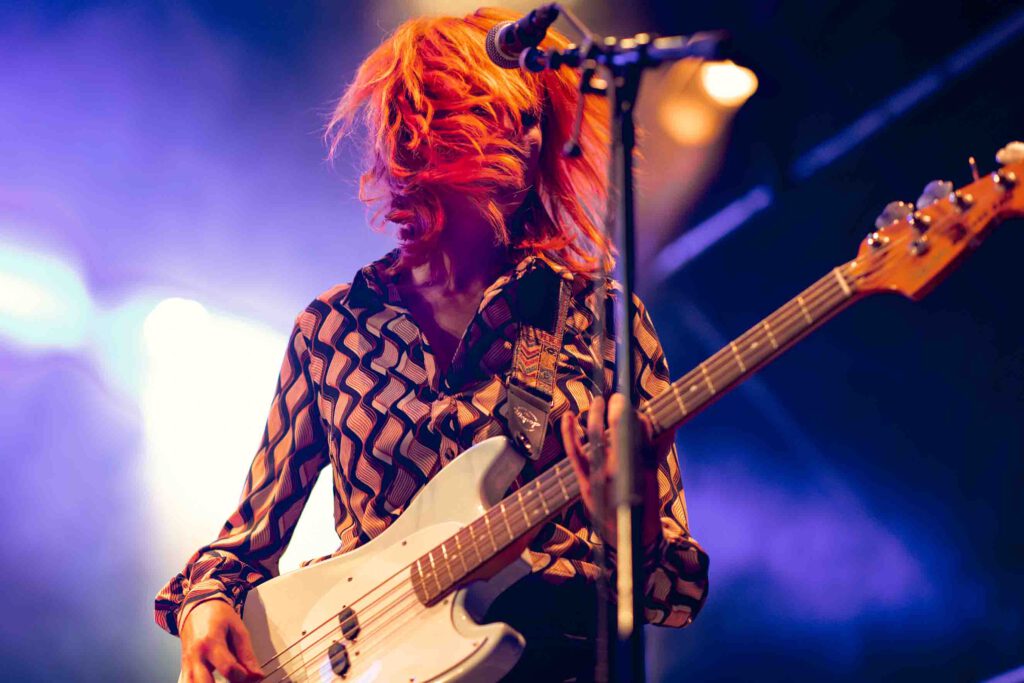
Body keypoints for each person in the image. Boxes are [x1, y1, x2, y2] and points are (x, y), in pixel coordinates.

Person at [156, 8, 709, 682]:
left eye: (535, 118)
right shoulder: (331, 330)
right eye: (504, 117)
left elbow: (675, 591)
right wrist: (205, 604)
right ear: (421, 137)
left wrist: (637, 523)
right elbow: (241, 549)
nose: (532, 137)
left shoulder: (599, 317)